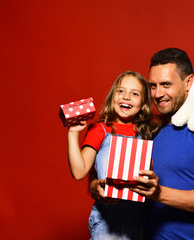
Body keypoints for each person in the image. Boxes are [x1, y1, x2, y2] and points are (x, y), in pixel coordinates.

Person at [89, 48, 194, 239]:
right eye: (153, 86)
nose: (158, 94)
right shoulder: (149, 130)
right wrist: (95, 186)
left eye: (166, 84)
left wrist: (158, 193)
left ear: (189, 82)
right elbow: (107, 166)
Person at [67, 71, 159, 240]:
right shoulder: (99, 130)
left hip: (139, 218)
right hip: (107, 218)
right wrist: (73, 134)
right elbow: (79, 172)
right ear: (112, 97)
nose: (126, 97)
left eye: (135, 93)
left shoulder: (148, 133)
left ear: (144, 104)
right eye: (120, 91)